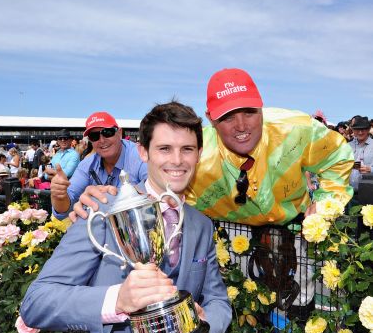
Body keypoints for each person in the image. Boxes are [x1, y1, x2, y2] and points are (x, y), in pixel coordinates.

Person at [20, 101, 232, 333]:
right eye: (165, 148)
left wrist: (205, 326)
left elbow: (218, 300)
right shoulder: (103, 209)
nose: (177, 161)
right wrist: (116, 301)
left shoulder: (202, 226)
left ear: (198, 154)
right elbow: (37, 301)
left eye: (187, 149)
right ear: (143, 152)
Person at [75, 69, 354, 318]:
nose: (241, 125)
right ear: (210, 119)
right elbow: (156, 187)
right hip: (234, 233)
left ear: (262, 107)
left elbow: (339, 157)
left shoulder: (298, 128)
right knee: (246, 301)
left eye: (249, 112)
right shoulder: (196, 153)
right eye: (228, 117)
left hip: (295, 225)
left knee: (300, 298)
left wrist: (325, 203)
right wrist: (108, 201)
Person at [50, 111, 148, 220]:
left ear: (119, 133)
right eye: (94, 136)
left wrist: (110, 197)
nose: (102, 140)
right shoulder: (87, 165)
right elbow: (63, 210)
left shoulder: (138, 155)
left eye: (108, 132)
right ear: (90, 140)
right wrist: (59, 196)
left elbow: (156, 188)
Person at [348, 115, 373, 204]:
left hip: (370, 193)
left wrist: (370, 169)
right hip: (349, 194)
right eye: (357, 129)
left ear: (368, 129)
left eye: (364, 129)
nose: (360, 132)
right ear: (353, 130)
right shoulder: (348, 146)